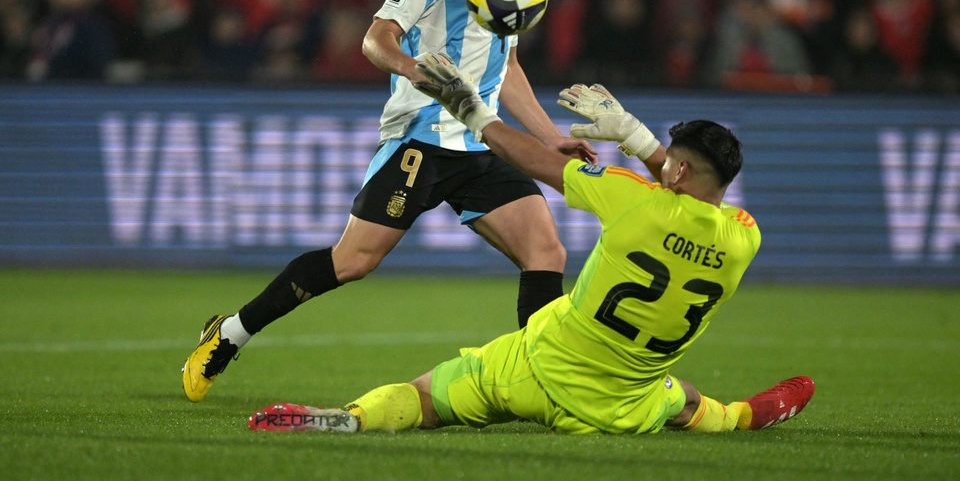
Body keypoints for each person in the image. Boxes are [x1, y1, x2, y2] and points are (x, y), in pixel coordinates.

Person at [182, 0, 595, 403]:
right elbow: (375, 40)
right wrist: (415, 70)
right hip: (421, 138)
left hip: (480, 142)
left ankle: (542, 382)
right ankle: (230, 332)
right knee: (353, 261)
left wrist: (549, 136)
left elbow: (508, 67)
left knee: (547, 252)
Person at [246, 55, 816, 436]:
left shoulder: (635, 200)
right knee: (684, 400)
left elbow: (539, 162)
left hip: (537, 370)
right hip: (621, 405)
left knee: (424, 399)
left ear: (680, 169)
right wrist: (642, 142)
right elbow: (686, 193)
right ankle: (749, 415)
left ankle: (347, 419)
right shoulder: (745, 236)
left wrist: (471, 110)